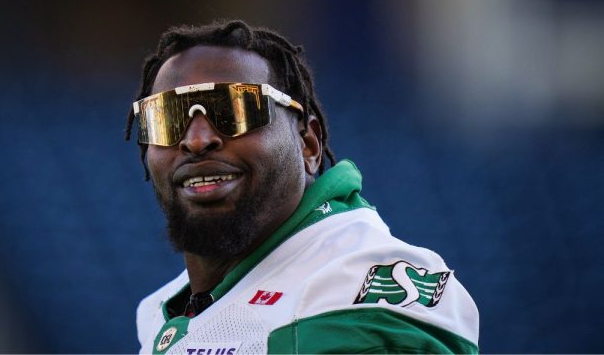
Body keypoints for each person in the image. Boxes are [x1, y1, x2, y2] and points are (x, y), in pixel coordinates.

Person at [125, 20, 479, 354]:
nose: (197, 140)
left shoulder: (360, 285)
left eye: (235, 110)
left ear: (308, 144)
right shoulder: (160, 309)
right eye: (167, 118)